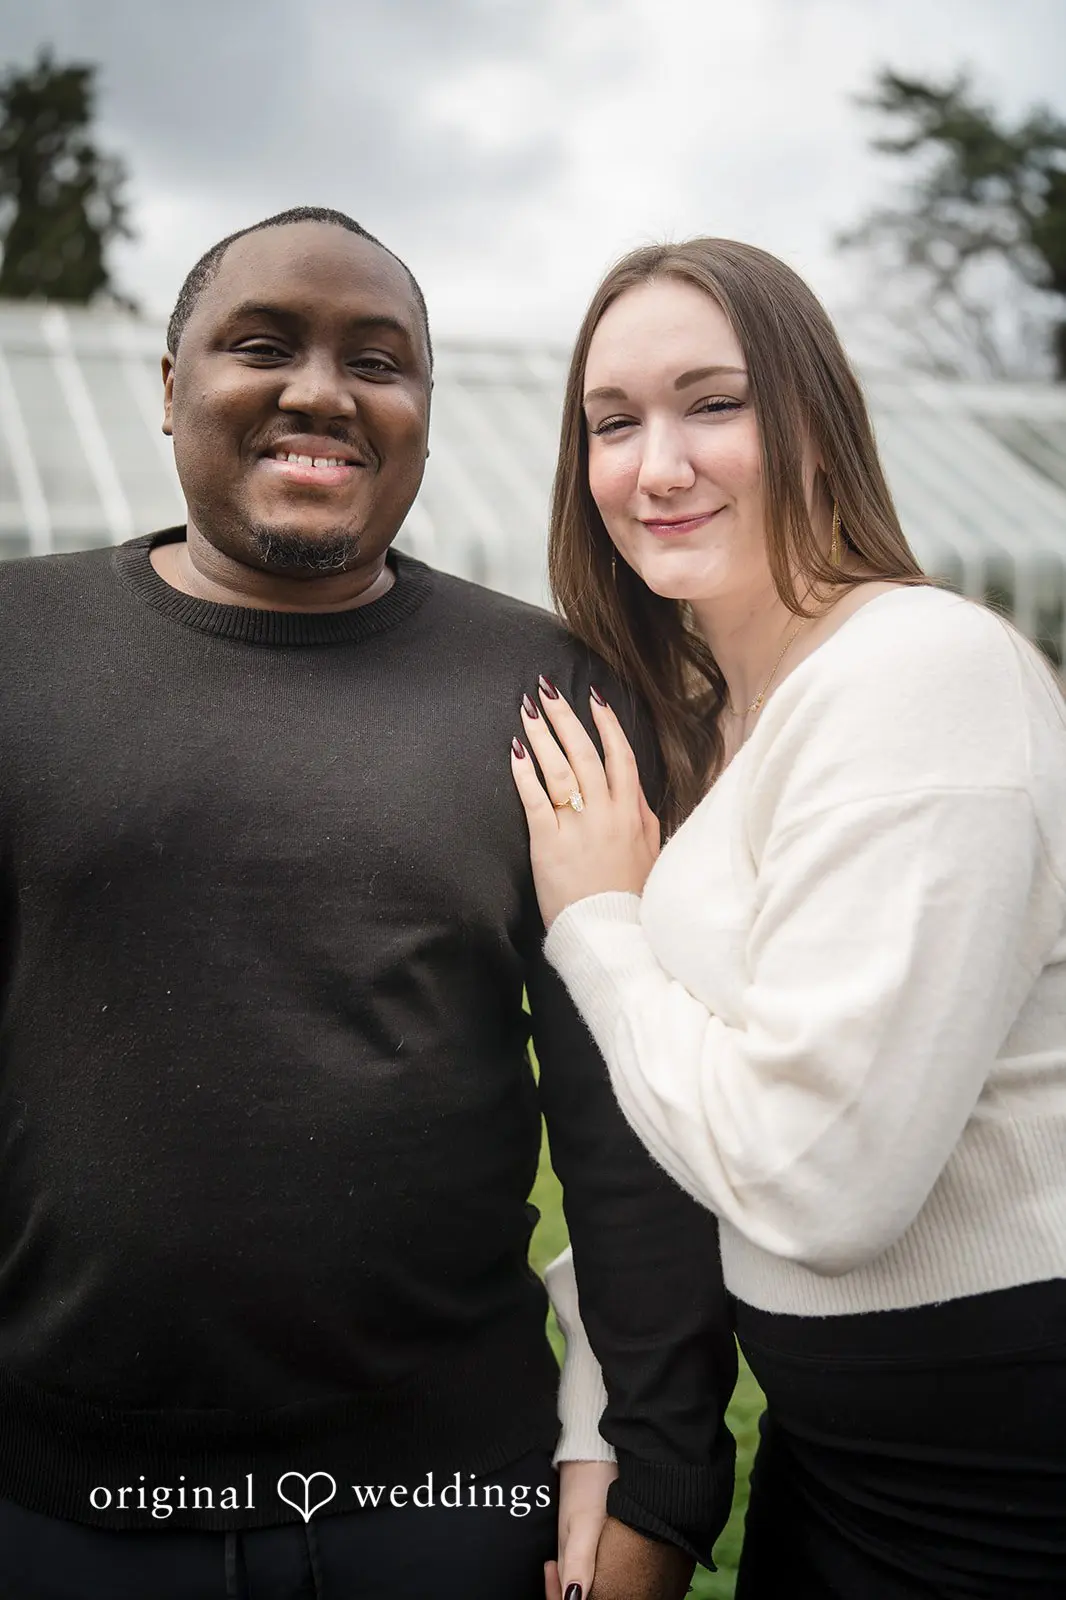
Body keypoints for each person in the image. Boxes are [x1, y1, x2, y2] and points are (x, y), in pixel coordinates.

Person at [0, 210, 739, 1600]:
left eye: (378, 361)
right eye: (263, 345)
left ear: (421, 415)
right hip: (47, 1499)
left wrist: (658, 1478)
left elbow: (626, 1132)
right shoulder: (14, 654)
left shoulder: (547, 692)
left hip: (438, 1500)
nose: (322, 390)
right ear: (168, 388)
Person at [511, 237, 1066, 1599]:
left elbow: (819, 1179)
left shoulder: (917, 673)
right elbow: (678, 1141)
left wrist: (597, 923)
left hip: (1004, 1478)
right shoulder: (720, 725)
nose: (657, 466)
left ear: (814, 417)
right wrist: (603, 1422)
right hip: (839, 1458)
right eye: (612, 422)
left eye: (713, 403)